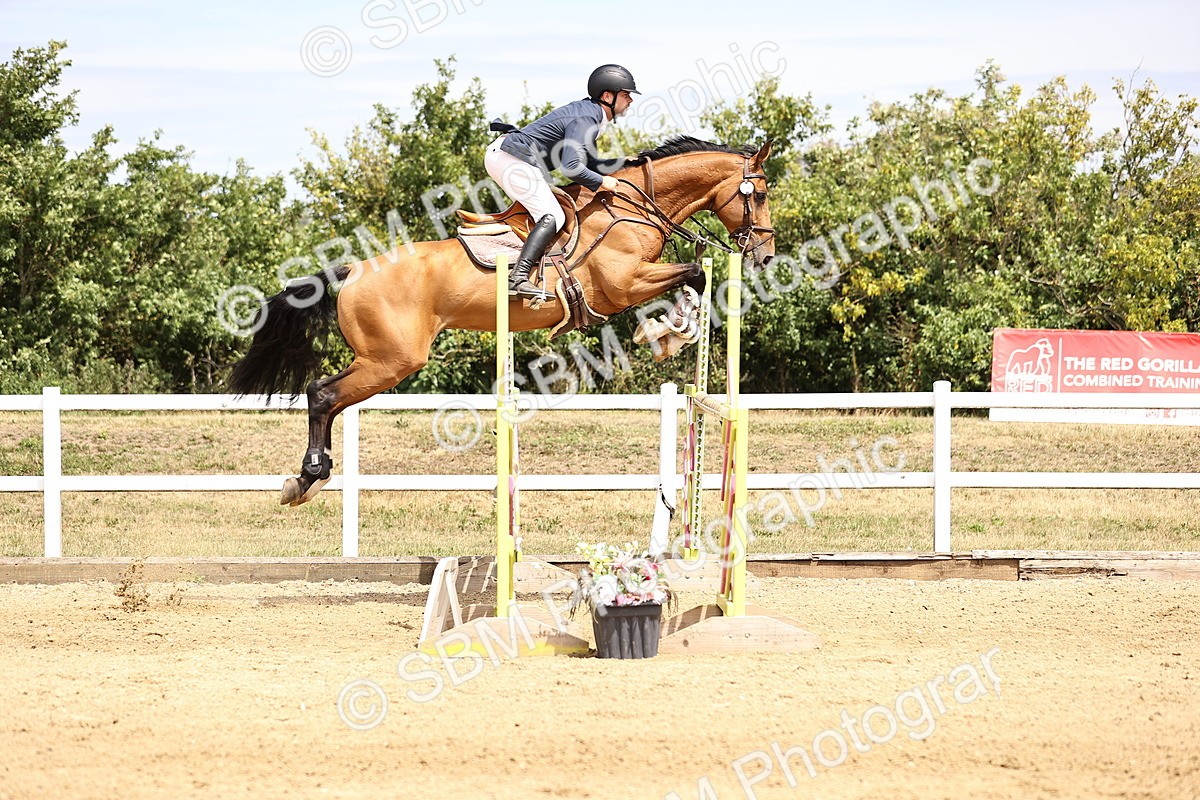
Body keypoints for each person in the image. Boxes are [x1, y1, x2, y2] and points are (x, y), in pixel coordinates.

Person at [485, 64, 638, 299]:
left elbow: (591, 163)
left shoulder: (591, 116)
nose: (630, 100)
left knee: (544, 213)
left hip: (508, 157)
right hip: (510, 158)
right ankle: (517, 278)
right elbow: (571, 167)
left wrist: (626, 163)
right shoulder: (587, 118)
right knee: (553, 216)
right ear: (608, 96)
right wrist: (601, 183)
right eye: (626, 95)